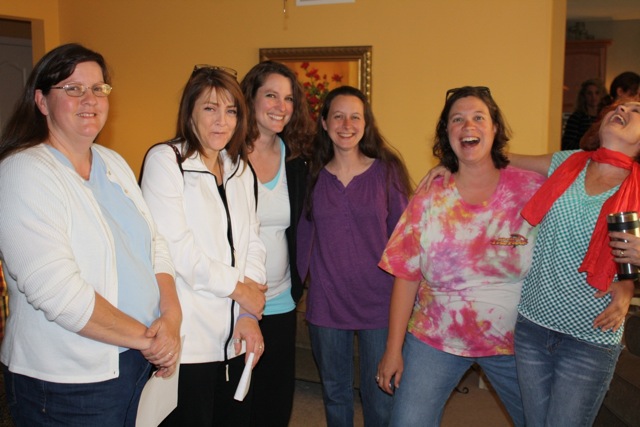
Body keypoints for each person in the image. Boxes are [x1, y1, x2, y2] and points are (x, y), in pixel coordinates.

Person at [0, 43, 181, 426]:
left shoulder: (112, 161)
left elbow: (155, 245)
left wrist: (171, 316)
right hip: (69, 380)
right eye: (73, 88)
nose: (90, 99)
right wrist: (150, 339)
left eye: (98, 89)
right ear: (42, 101)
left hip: (135, 357)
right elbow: (57, 292)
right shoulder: (23, 172)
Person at [377, 86, 544, 426]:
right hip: (435, 336)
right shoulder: (430, 195)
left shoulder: (531, 189)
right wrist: (393, 350)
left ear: (494, 128)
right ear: (447, 133)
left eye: (479, 118)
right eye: (457, 120)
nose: (468, 126)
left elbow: (583, 167)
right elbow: (406, 275)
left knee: (545, 421)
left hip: (514, 340)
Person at [139, 65, 267, 426]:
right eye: (210, 108)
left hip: (235, 339)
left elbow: (252, 241)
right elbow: (177, 249)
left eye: (231, 111)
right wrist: (240, 290)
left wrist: (247, 314)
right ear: (190, 112)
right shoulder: (168, 161)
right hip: (188, 340)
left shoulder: (240, 168)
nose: (221, 121)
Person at [511, 101, 638, 426]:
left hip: (590, 337)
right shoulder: (566, 162)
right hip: (532, 325)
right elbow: (498, 161)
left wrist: (629, 282)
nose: (623, 109)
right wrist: (449, 169)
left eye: (637, 110)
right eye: (620, 106)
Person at [297, 85, 412, 427]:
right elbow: (300, 235)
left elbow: (405, 240)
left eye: (355, 117)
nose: (346, 125)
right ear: (324, 122)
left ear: (366, 123)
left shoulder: (387, 172)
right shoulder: (310, 176)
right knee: (335, 395)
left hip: (380, 301)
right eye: (338, 116)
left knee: (381, 398)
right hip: (328, 301)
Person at [239, 60, 315, 426]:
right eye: (271, 95)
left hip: (281, 298)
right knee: (235, 402)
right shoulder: (226, 156)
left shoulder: (297, 160)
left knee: (275, 402)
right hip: (234, 301)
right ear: (250, 98)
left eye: (288, 99)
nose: (281, 107)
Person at [562, 78, 606, 150]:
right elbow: (567, 145)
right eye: (589, 93)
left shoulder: (605, 117)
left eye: (597, 93)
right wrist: (585, 145)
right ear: (584, 96)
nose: (593, 97)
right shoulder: (576, 118)